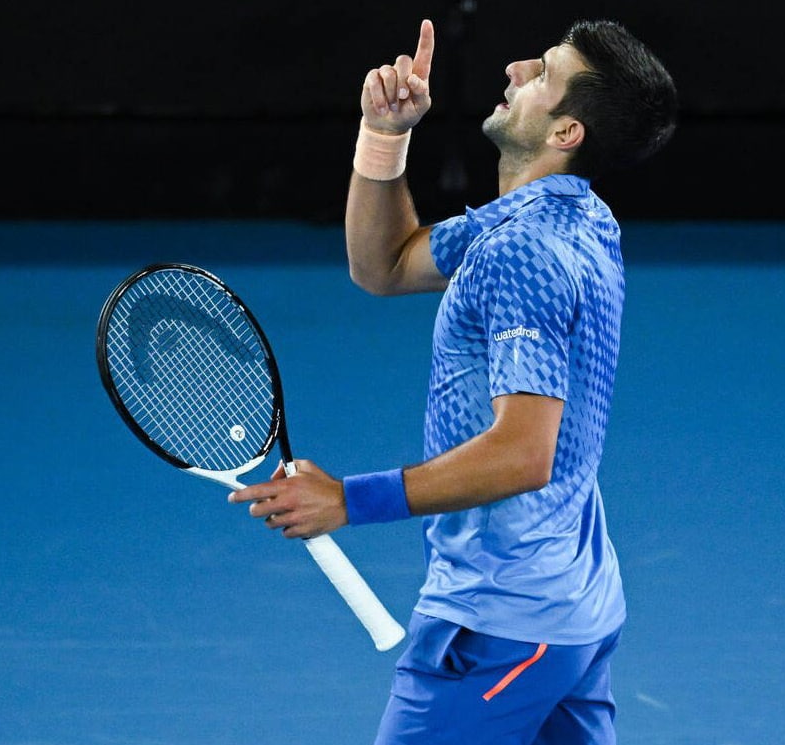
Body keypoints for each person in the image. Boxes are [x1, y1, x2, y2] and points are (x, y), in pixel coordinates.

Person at [230, 16, 677, 745]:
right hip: (574, 610)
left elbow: (522, 453)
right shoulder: (573, 217)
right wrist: (385, 134)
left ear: (566, 132)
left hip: (500, 629)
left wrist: (348, 498)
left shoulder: (521, 253)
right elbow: (386, 264)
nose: (514, 68)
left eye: (543, 74)